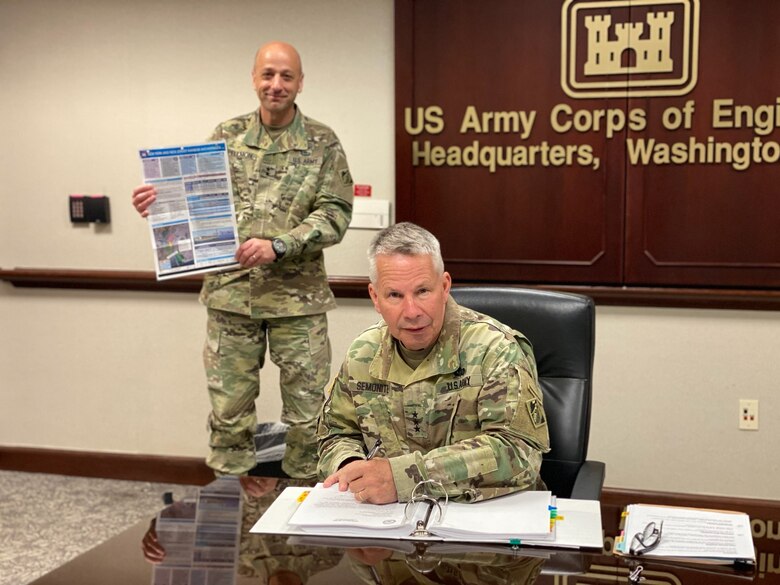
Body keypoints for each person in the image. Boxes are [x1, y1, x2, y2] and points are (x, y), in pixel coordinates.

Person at [132, 41, 354, 479]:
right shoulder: (226, 135)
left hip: (298, 302)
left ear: (300, 83)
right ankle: (228, 523)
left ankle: (302, 533)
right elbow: (198, 202)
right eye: (268, 74)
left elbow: (336, 213)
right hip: (231, 295)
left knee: (308, 422)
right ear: (254, 79)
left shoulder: (323, 142)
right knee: (229, 417)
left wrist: (280, 245)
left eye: (286, 76)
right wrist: (160, 205)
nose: (276, 84)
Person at [317, 222, 550, 504]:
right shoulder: (362, 354)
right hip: (388, 522)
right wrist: (353, 470)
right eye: (395, 295)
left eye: (423, 291)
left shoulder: (494, 348)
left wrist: (402, 478)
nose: (412, 311)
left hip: (485, 518)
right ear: (375, 298)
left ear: (445, 286)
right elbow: (336, 433)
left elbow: (518, 452)